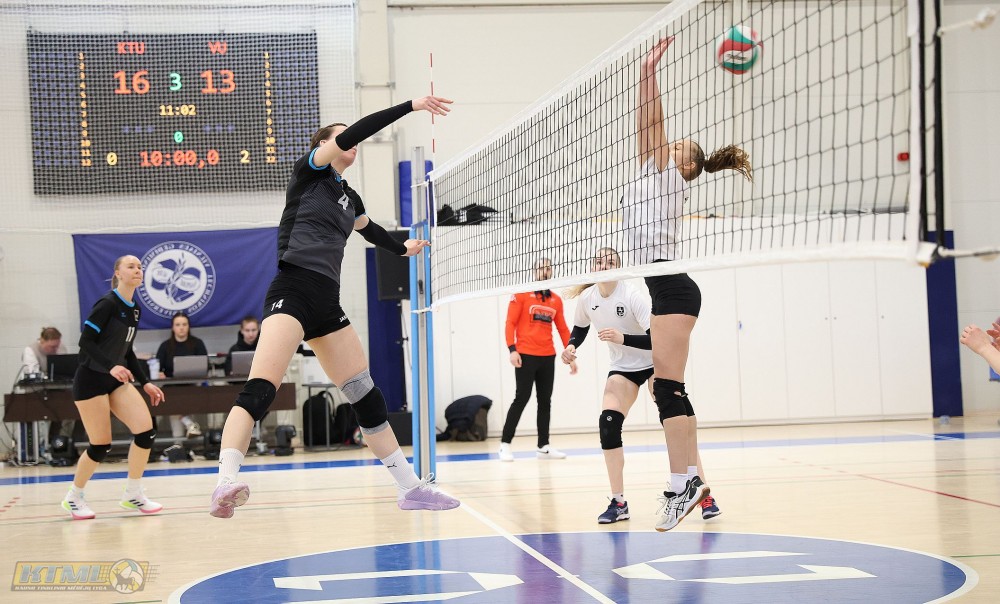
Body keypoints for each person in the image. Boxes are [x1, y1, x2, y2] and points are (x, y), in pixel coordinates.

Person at [209, 96, 460, 518]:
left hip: (327, 301)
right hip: (293, 289)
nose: (352, 143)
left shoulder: (350, 198)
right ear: (323, 145)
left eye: (351, 139)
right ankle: (225, 483)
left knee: (366, 395)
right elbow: (357, 132)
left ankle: (410, 488)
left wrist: (403, 248)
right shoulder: (309, 172)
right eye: (342, 138)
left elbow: (370, 230)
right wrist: (412, 106)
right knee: (261, 389)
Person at [626, 36, 752, 531]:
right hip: (665, 287)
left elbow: (651, 122)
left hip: (673, 287)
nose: (667, 142)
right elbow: (647, 129)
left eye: (676, 146)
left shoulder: (668, 176)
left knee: (667, 388)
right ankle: (692, 481)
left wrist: (649, 73)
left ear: (685, 165)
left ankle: (683, 483)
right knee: (668, 386)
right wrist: (645, 76)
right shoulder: (651, 172)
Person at [561, 247, 721, 524]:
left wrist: (622, 338)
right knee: (608, 423)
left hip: (652, 362)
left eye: (610, 261)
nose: (604, 265)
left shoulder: (632, 295)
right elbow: (580, 328)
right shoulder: (588, 298)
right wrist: (571, 346)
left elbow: (657, 340)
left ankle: (703, 493)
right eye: (599, 261)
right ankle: (618, 502)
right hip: (623, 368)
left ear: (620, 268)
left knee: (675, 419)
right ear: (592, 268)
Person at [61, 255, 167, 520]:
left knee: (146, 432)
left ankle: (133, 493)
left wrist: (146, 382)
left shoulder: (135, 309)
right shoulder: (107, 304)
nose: (137, 270)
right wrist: (110, 366)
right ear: (118, 273)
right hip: (90, 380)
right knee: (100, 445)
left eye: (140, 267)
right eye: (131, 266)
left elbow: (127, 352)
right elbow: (85, 342)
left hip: (115, 380)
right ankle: (74, 497)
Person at [499, 257, 576, 462]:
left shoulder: (556, 300)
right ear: (534, 271)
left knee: (545, 401)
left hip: (547, 356)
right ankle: (505, 444)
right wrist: (512, 350)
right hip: (525, 355)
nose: (545, 271)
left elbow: (563, 328)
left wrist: (571, 354)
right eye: (541, 268)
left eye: (548, 268)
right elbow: (510, 323)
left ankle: (543, 446)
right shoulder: (522, 294)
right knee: (521, 398)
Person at [155, 311, 207, 438]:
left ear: (188, 326)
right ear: (173, 327)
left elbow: (205, 364)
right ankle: (185, 429)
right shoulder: (165, 346)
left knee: (188, 397)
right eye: (178, 325)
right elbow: (157, 367)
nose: (181, 328)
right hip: (171, 387)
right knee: (173, 399)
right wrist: (160, 374)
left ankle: (186, 433)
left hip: (193, 385)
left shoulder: (197, 343)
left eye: (184, 324)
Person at [22, 327, 73, 442]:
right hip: (37, 393)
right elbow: (33, 374)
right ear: (42, 341)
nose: (55, 349)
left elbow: (65, 369)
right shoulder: (30, 350)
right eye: (52, 347)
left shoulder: (60, 347)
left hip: (58, 391)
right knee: (43, 414)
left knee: (70, 407)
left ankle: (62, 441)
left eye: (57, 346)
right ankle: (42, 442)